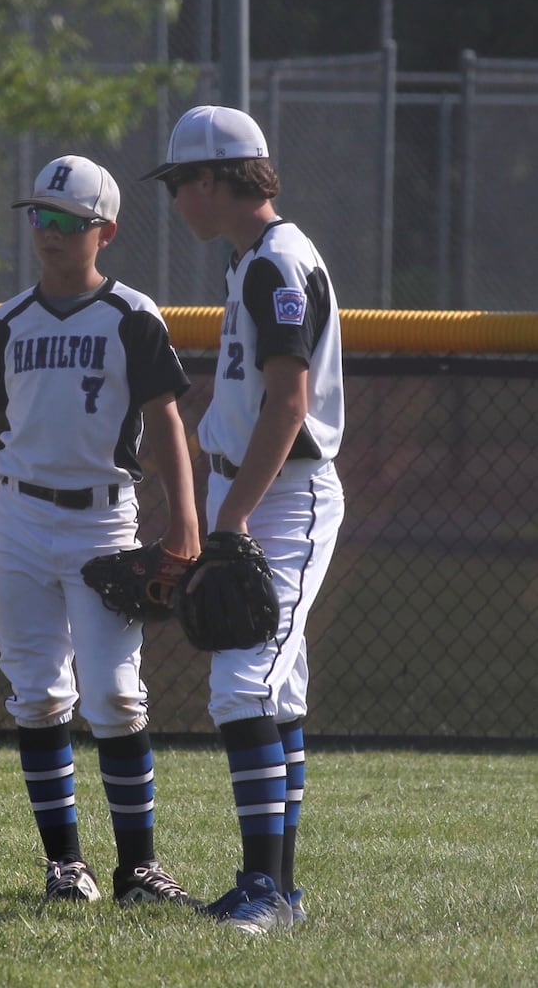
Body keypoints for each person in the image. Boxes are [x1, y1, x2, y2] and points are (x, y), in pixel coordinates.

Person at [0, 155, 202, 906]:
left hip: (103, 519)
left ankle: (137, 867)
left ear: (104, 231)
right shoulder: (5, 321)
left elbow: (169, 424)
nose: (47, 233)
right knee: (37, 694)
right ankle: (64, 865)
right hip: (17, 515)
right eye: (39, 217)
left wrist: (185, 521)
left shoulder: (131, 316)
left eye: (67, 222)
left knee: (113, 694)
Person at [142, 106, 345, 933]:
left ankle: (265, 890)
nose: (175, 200)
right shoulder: (254, 260)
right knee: (277, 689)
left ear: (216, 179)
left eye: (179, 184)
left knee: (240, 683)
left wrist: (228, 519)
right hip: (263, 490)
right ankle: (278, 890)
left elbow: (288, 404)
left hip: (278, 494)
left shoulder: (275, 265)